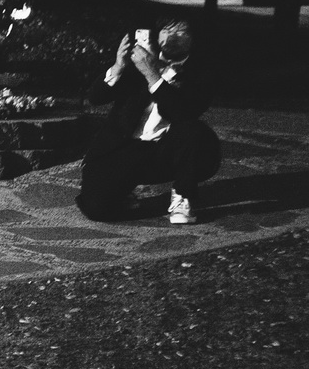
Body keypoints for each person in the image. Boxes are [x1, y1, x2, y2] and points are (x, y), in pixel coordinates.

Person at [76, 20, 220, 225]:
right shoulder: (139, 59)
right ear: (157, 34)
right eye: (167, 30)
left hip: (165, 150)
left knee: (194, 130)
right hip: (124, 146)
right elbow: (96, 98)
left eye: (181, 32)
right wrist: (118, 66)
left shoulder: (201, 73)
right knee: (96, 209)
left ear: (193, 39)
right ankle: (121, 191)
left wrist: (152, 74)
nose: (172, 38)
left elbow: (182, 113)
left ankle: (182, 194)